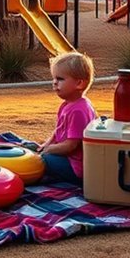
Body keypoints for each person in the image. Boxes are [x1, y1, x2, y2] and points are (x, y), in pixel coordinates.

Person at [39, 51, 97, 185]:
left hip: (76, 167)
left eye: (60, 79)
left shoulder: (79, 110)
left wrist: (47, 151)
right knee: (32, 149)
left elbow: (71, 146)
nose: (54, 83)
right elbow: (57, 132)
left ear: (79, 83)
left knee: (42, 160)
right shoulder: (67, 104)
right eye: (53, 78)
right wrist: (46, 145)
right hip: (66, 158)